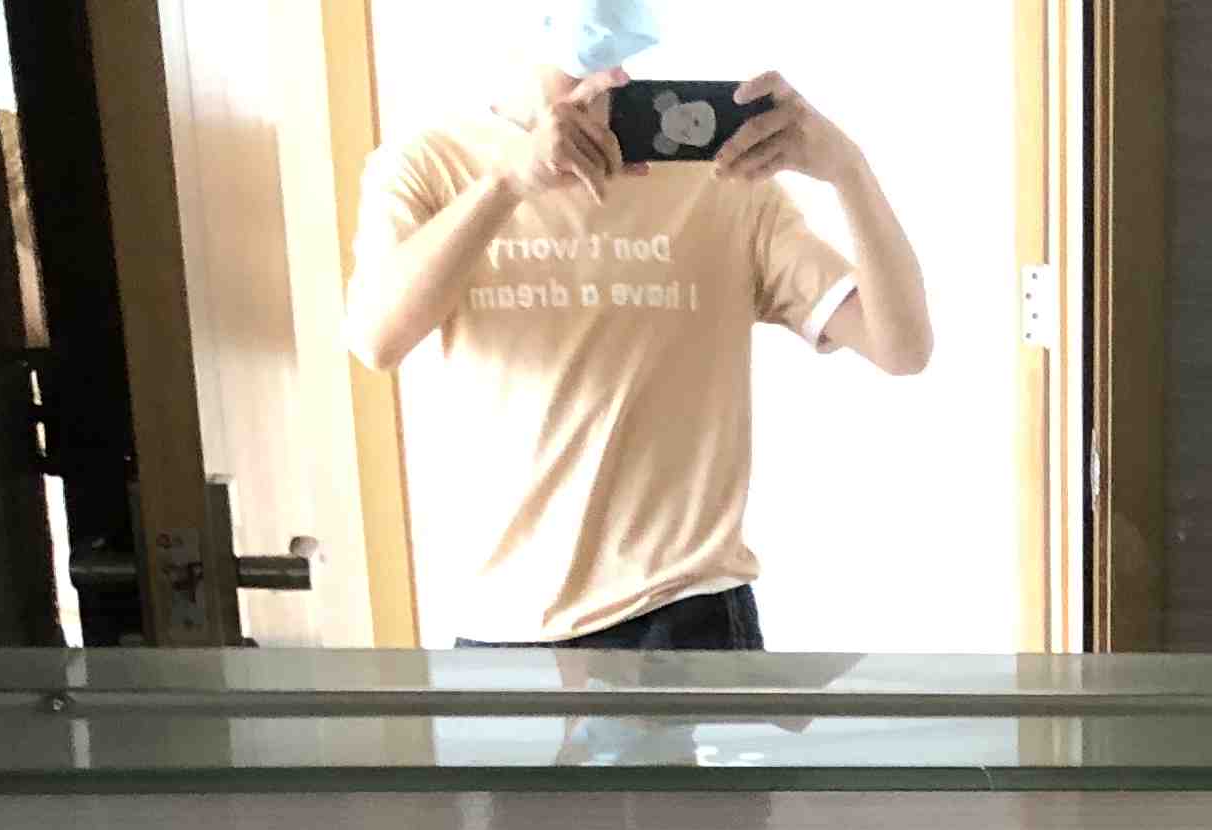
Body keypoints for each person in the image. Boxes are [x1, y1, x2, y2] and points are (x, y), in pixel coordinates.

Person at [345, 5, 935, 651]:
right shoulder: (430, 165)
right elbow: (377, 339)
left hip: (682, 611)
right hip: (502, 620)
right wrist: (506, 183)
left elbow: (901, 346)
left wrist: (849, 170)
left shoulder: (718, 175)